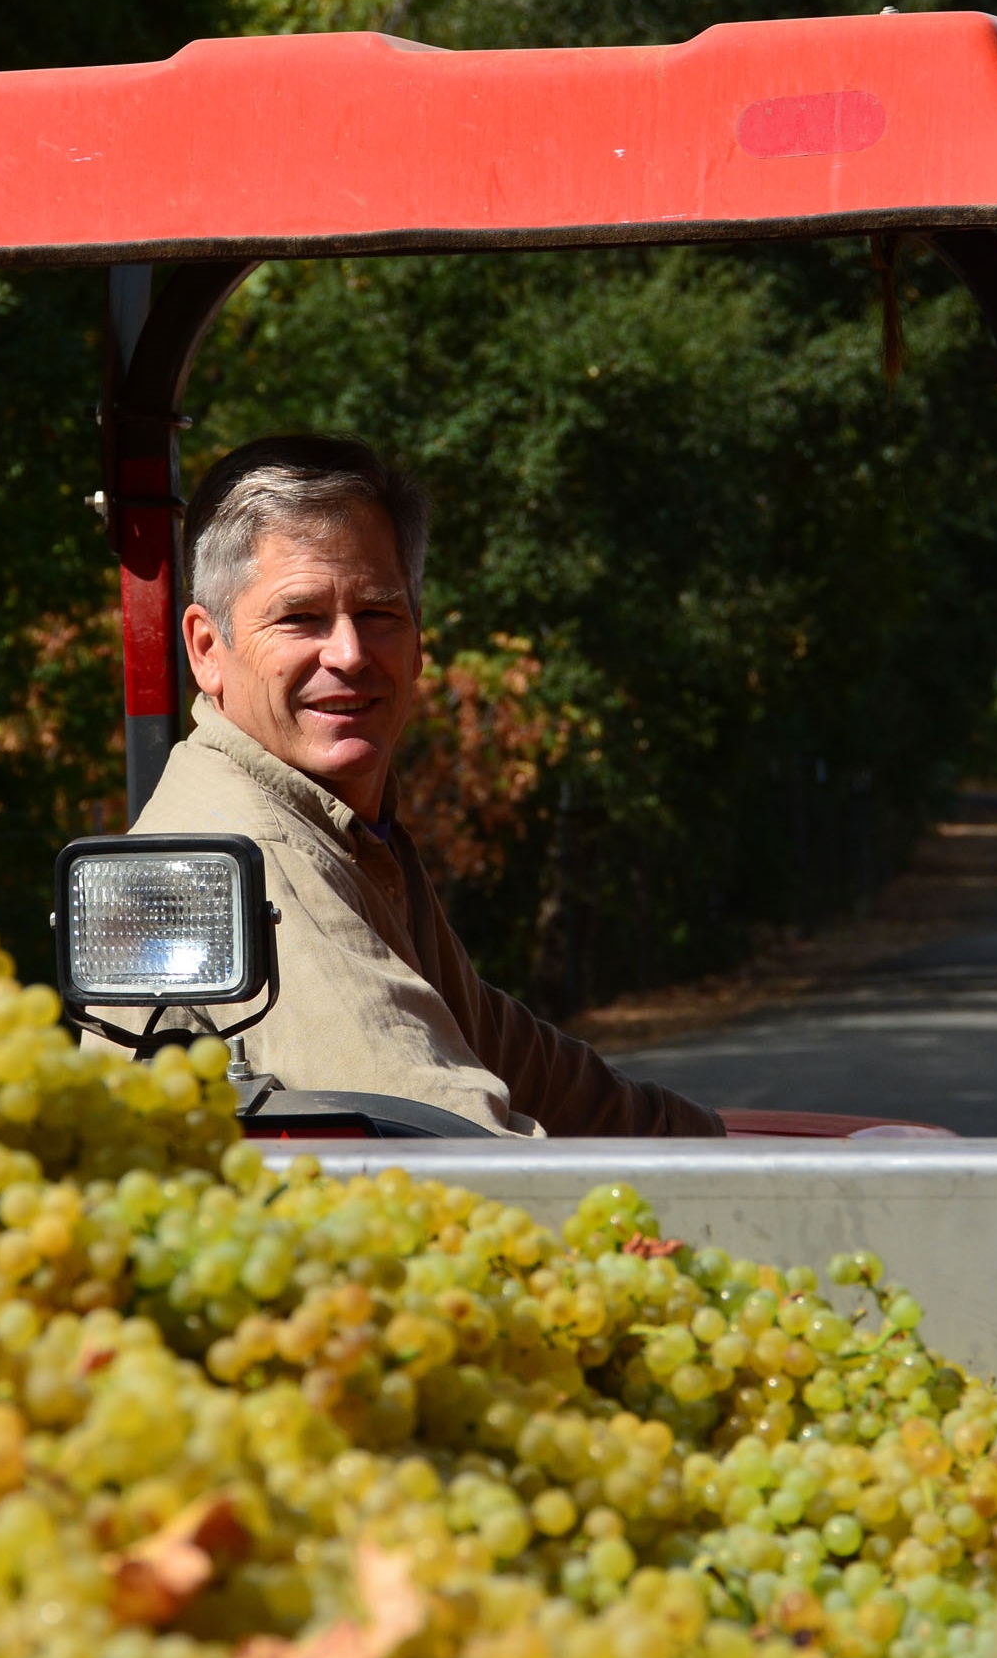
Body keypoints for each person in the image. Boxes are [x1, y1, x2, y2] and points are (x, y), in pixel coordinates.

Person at [129, 433, 724, 1138]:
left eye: (379, 613)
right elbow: (448, 1146)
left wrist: (702, 1142)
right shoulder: (249, 856)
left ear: (417, 643)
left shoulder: (340, 828)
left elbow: (507, 1050)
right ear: (206, 649)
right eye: (300, 618)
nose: (349, 654)